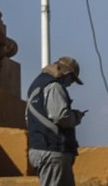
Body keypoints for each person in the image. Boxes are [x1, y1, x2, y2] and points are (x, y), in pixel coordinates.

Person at [27, 55, 84, 186]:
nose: (71, 84)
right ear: (68, 74)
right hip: (52, 148)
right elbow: (60, 116)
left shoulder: (37, 84)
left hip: (40, 147)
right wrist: (76, 116)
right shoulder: (54, 86)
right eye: (73, 79)